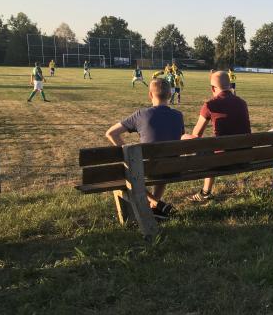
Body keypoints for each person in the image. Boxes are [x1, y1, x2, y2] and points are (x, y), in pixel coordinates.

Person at [105, 78, 185, 219]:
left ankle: (155, 203)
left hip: (148, 169)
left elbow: (111, 133)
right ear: (170, 95)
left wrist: (127, 154)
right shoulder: (178, 116)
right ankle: (155, 205)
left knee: (133, 170)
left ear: (150, 94)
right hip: (173, 169)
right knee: (162, 164)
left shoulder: (141, 114)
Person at [184, 71, 251, 202]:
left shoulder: (210, 104)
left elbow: (196, 135)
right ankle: (205, 191)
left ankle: (205, 192)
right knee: (214, 148)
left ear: (213, 88)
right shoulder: (242, 103)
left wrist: (184, 136)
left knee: (188, 139)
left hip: (222, 161)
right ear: (230, 85)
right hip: (244, 158)